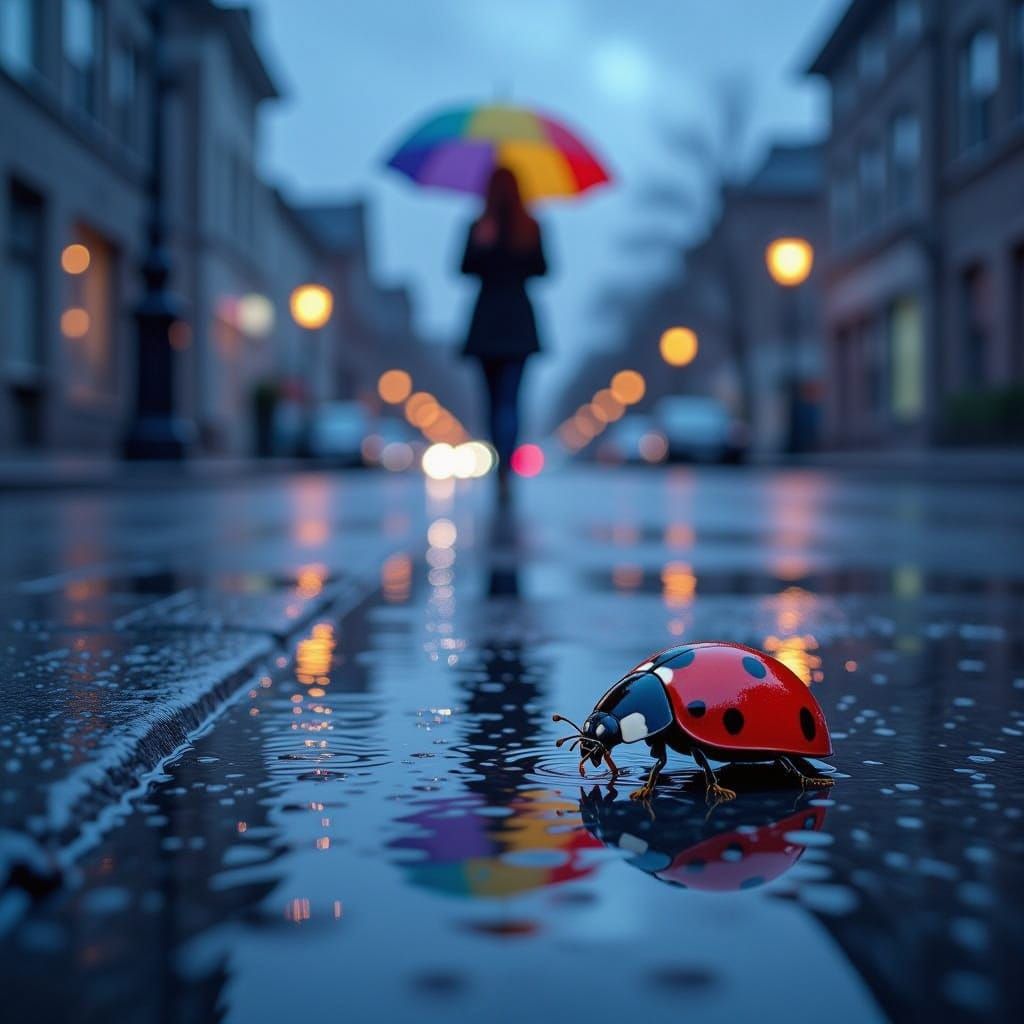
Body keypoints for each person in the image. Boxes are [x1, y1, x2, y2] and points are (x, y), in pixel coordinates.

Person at [460, 167, 547, 492]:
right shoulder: (531, 226)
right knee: (510, 400)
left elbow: (464, 269)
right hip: (519, 324)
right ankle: (505, 466)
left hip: (487, 325)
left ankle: (502, 466)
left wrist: (484, 245)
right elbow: (542, 269)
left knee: (494, 400)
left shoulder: (481, 226)